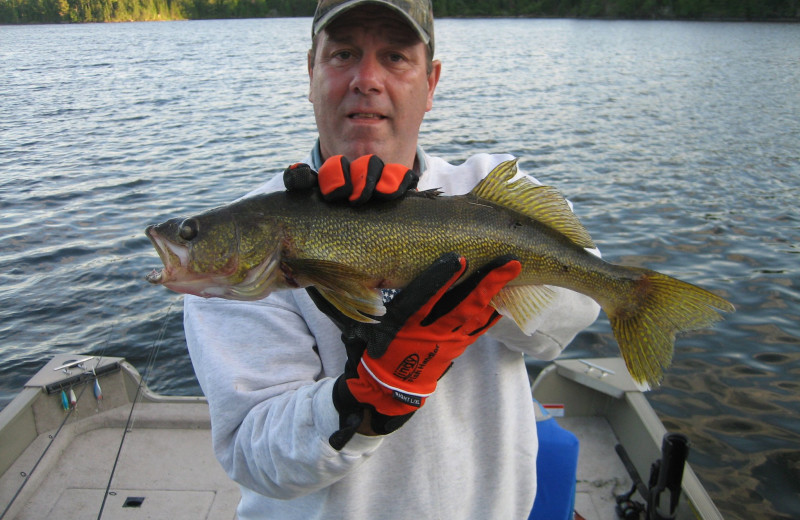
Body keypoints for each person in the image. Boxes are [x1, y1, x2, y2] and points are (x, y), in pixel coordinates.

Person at [183, 1, 601, 518]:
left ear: (431, 83)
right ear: (310, 72)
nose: (367, 79)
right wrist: (365, 401)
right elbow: (255, 455)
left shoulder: (488, 192)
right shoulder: (242, 255)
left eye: (396, 56)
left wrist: (487, 296)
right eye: (343, 54)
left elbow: (576, 312)